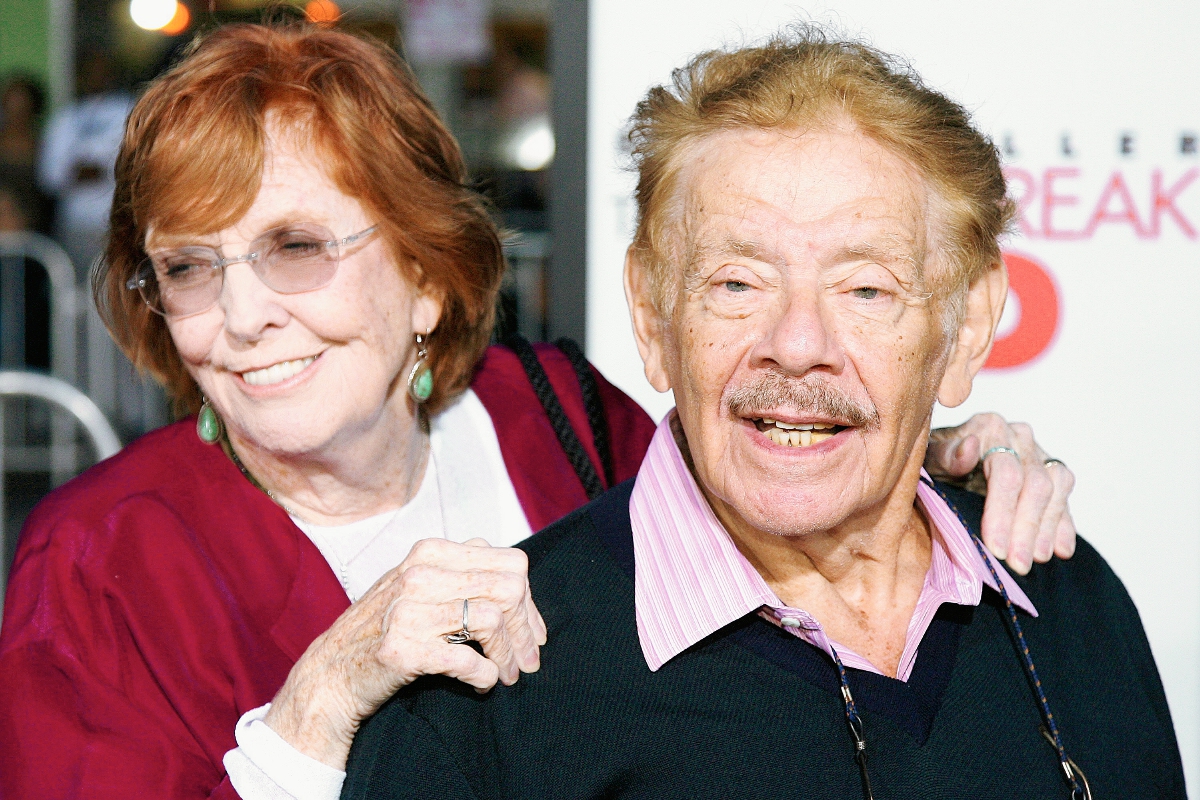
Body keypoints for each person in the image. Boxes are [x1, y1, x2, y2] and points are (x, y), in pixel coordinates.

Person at [0, 23, 1076, 800]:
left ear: (425, 271)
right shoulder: (95, 561)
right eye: (188, 267)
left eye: (295, 248)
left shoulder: (553, 414)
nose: (238, 318)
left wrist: (934, 462)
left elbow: (765, 494)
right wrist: (316, 709)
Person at [343, 25, 1185, 800]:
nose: (797, 344)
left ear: (965, 327)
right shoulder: (492, 687)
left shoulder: (1071, 606)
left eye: (865, 288)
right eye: (737, 284)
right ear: (652, 313)